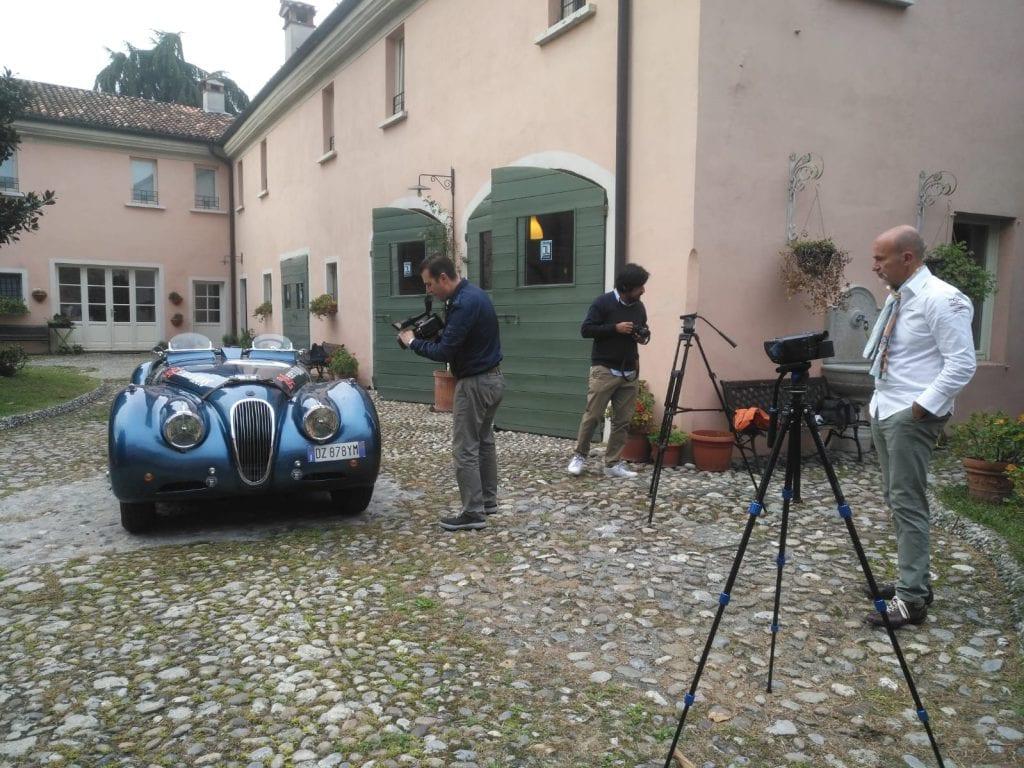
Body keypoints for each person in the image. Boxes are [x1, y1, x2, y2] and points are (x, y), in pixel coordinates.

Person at [862, 225, 976, 629]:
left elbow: (962, 363)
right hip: (885, 406)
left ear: (907, 258)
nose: (875, 266)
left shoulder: (942, 299)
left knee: (907, 501)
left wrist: (921, 407)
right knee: (896, 498)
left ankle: (912, 599)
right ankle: (914, 581)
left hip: (910, 414)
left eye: (881, 259)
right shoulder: (900, 297)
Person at [399, 255, 504, 532]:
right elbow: (457, 341)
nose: (428, 290)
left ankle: (473, 513)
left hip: (474, 384)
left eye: (429, 284)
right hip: (493, 379)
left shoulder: (463, 304)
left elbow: (445, 352)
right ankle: (488, 502)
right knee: (484, 441)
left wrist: (413, 342)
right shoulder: (474, 295)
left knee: (465, 448)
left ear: (443, 278)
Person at [566, 264, 651, 479]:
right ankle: (579, 456)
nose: (643, 290)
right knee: (593, 416)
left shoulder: (639, 307)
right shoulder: (602, 303)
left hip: (629, 372)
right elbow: (586, 330)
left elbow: (644, 331)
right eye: (640, 287)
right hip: (604, 370)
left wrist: (642, 336)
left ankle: (612, 463)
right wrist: (615, 328)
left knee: (623, 421)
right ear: (627, 287)